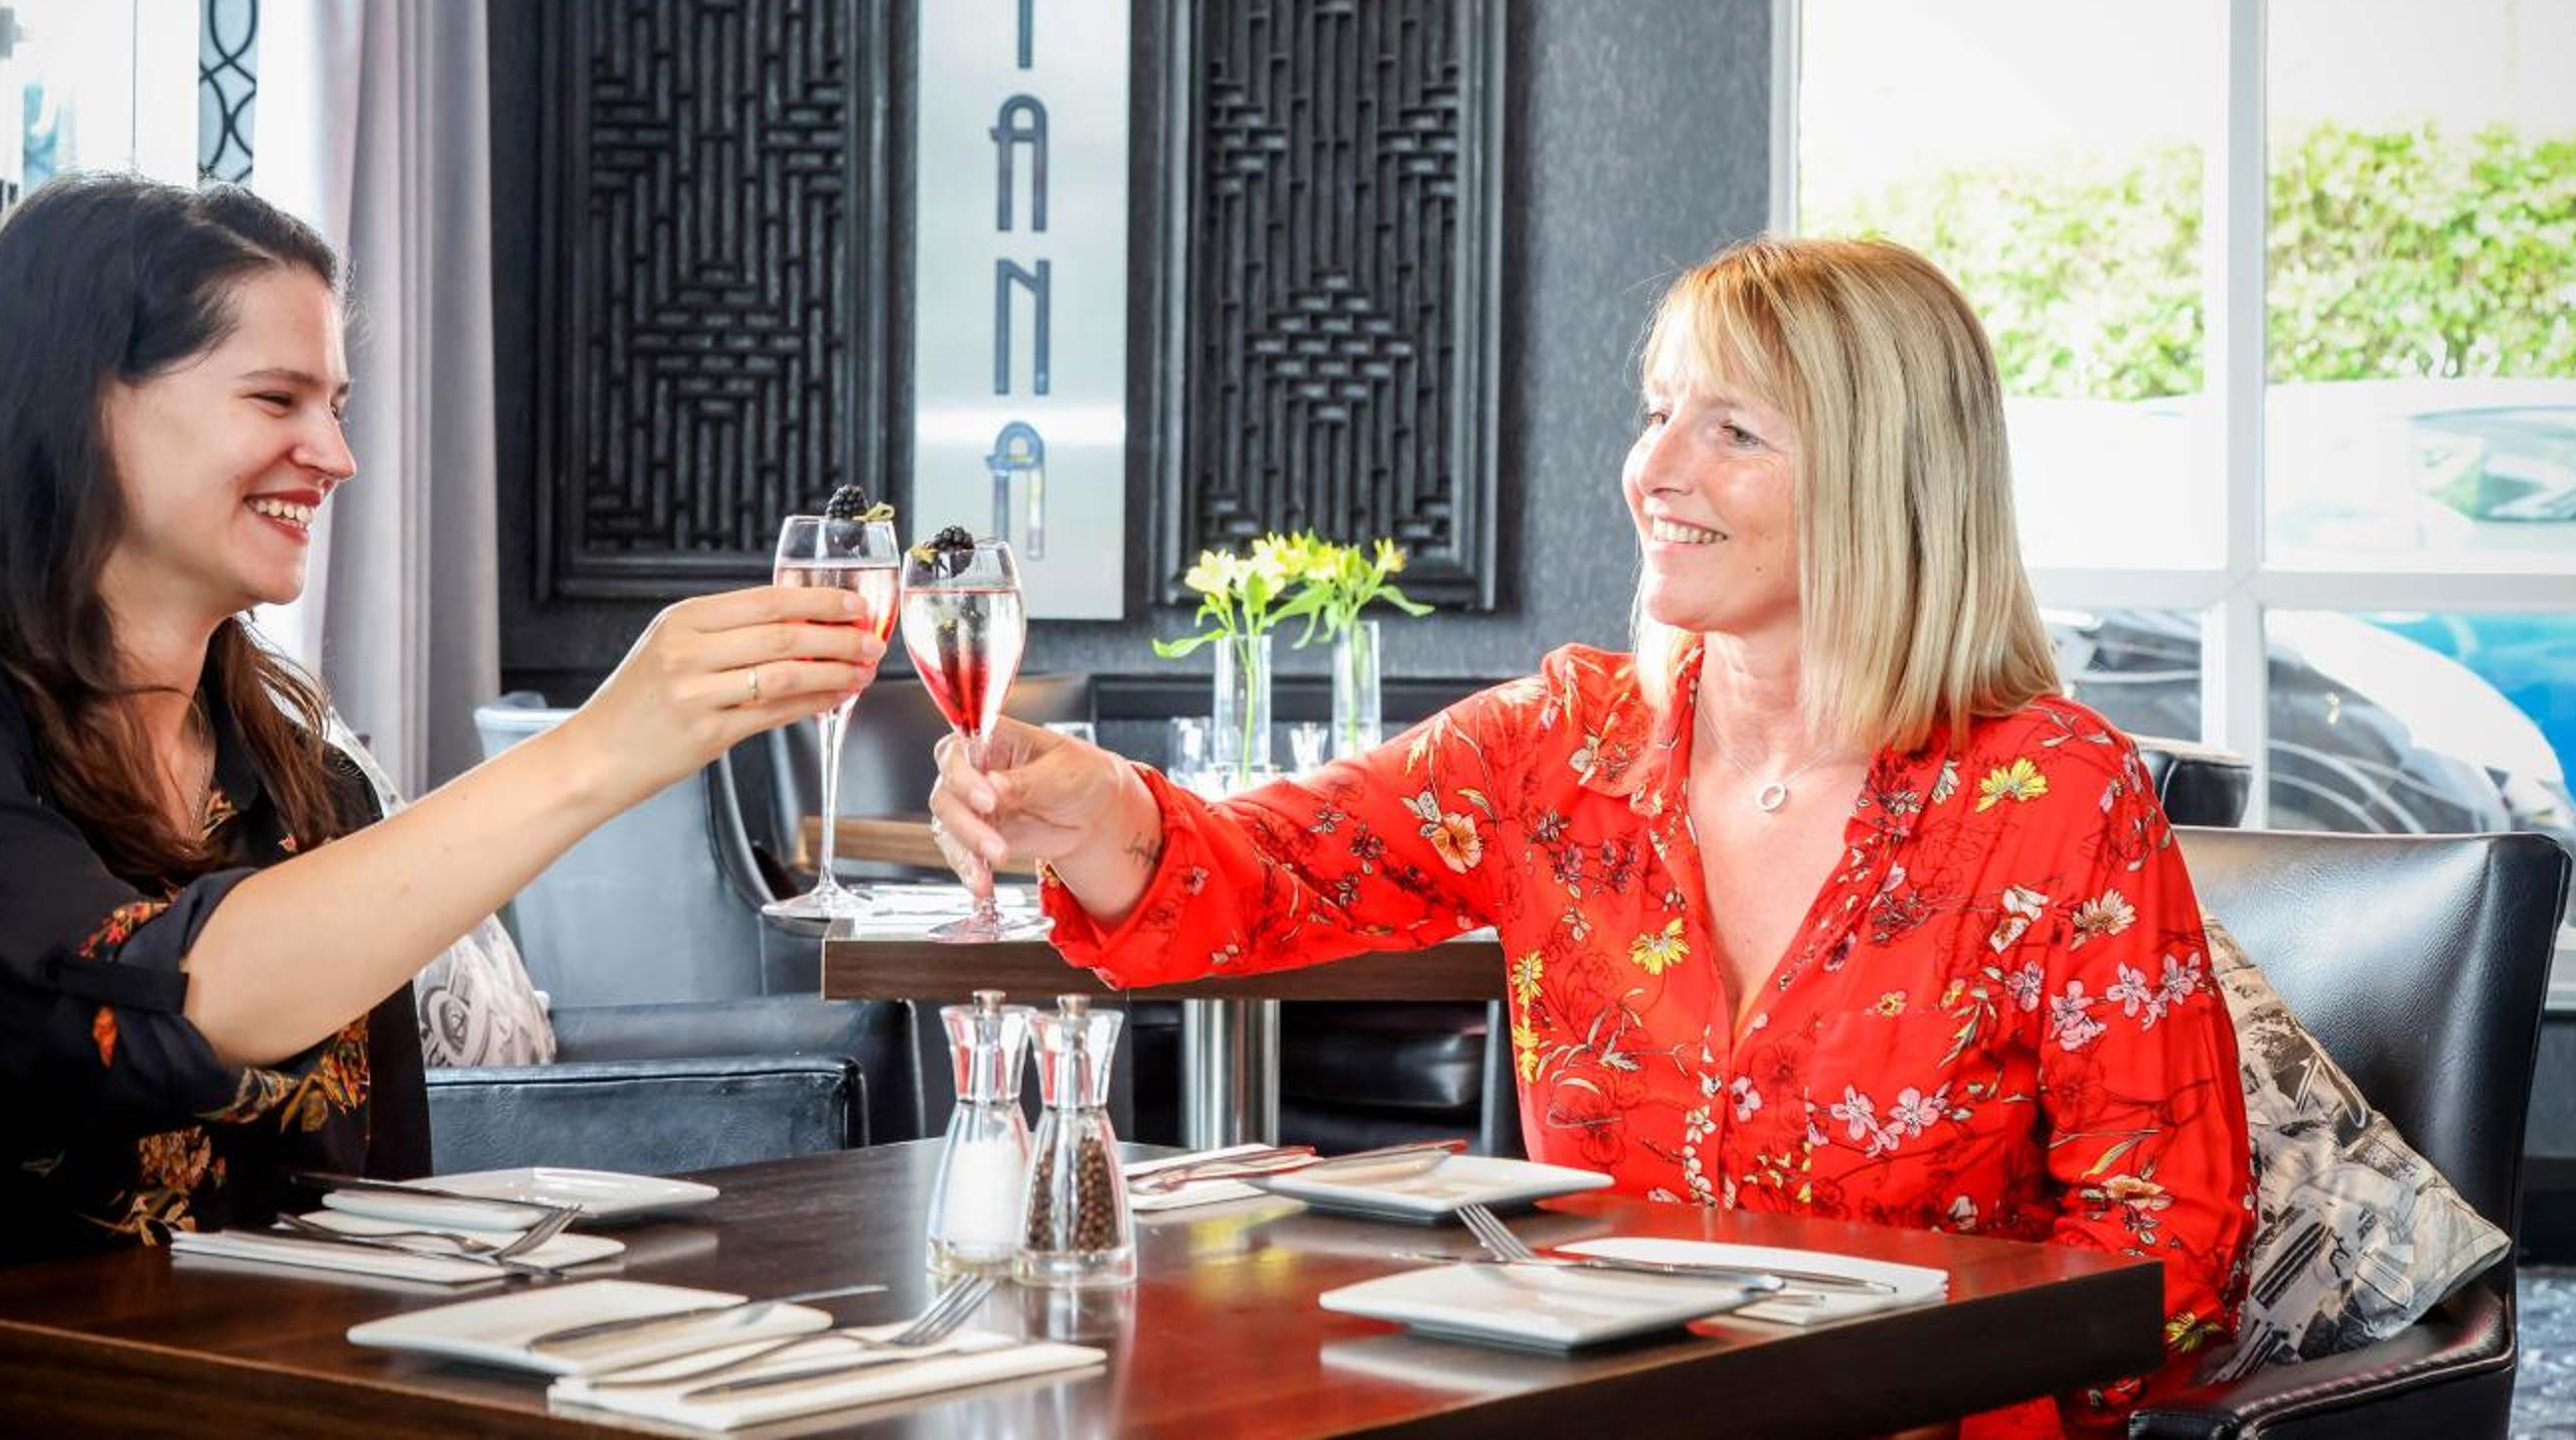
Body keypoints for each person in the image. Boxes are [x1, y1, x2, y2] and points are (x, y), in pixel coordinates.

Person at [933, 237, 2251, 1436]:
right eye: (1658, 411)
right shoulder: (1558, 745)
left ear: (1884, 479)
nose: (1656, 469)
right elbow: (1268, 873)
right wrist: (1096, 812)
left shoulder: (2056, 794)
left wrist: (1924, 1400)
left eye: (1733, 429)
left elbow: (2169, 1261)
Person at [0, 175, 883, 1402]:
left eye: (334, 406)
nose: (335, 457)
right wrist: (599, 749)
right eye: (276, 398)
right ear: (88, 405)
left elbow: (374, 1198)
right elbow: (173, 999)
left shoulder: (302, 778)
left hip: (266, 1397)